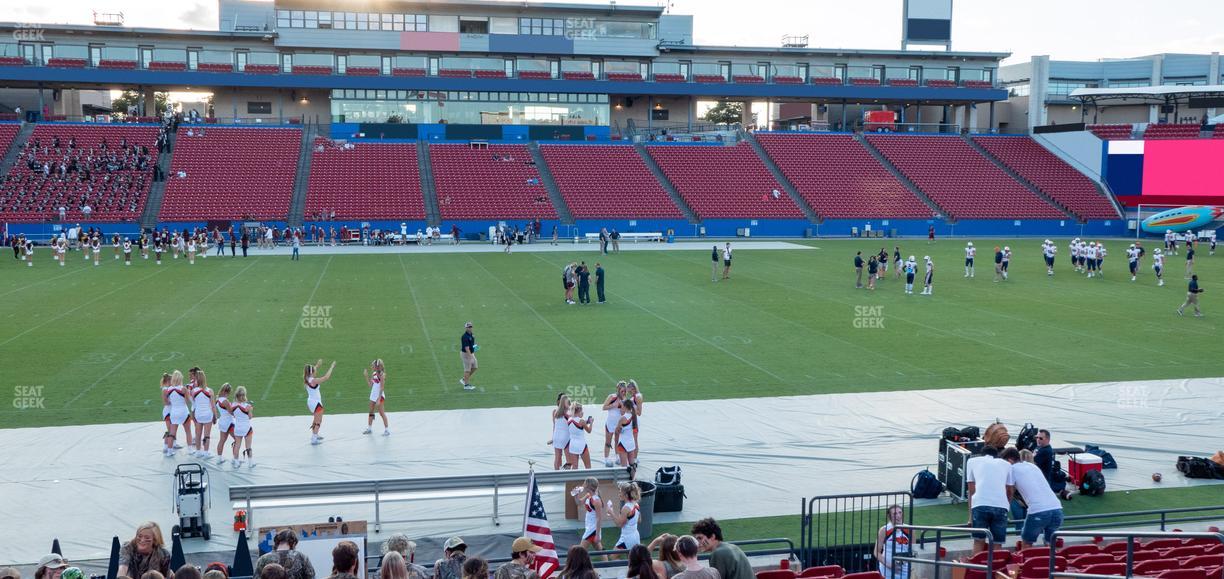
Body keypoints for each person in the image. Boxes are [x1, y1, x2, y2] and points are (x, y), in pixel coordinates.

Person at [1002, 447, 1064, 547]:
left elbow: (1009, 492)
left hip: (1038, 511)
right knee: (1050, 545)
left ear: (1009, 460)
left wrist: (1004, 510)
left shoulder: (1011, 469)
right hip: (1057, 509)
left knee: (1026, 543)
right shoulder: (1032, 466)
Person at [965, 446, 1015, 553]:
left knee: (978, 541)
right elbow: (1010, 491)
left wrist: (970, 517)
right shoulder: (1007, 464)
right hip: (1001, 507)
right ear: (997, 456)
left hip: (980, 505)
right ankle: (996, 563)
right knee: (997, 543)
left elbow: (971, 491)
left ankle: (976, 563)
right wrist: (1006, 508)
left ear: (981, 454)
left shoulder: (972, 461)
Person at [304, 359, 337, 445]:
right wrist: (332, 366)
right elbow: (326, 377)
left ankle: (315, 434)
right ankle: (314, 439)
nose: (316, 372)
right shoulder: (314, 381)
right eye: (314, 371)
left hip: (311, 402)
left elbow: (312, 370)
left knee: (315, 420)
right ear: (311, 372)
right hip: (316, 403)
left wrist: (317, 365)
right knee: (318, 421)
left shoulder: (307, 378)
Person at [874, 505, 911, 579]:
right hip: (887, 570)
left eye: (900, 512)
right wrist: (890, 565)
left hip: (905, 570)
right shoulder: (884, 530)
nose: (898, 516)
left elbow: (913, 550)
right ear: (889, 516)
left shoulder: (910, 529)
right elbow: (876, 552)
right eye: (895, 513)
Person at [1034, 429, 1071, 500]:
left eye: (1041, 438)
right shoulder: (1040, 447)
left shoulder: (1046, 451)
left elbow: (1032, 463)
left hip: (1042, 479)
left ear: (1047, 439)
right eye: (1037, 437)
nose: (1038, 439)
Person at [609, 481, 643, 550]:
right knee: (631, 556)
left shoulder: (626, 508)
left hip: (627, 538)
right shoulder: (636, 504)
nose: (619, 494)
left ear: (626, 495)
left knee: (612, 555)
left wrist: (611, 512)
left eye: (620, 492)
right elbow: (639, 520)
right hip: (636, 536)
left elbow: (619, 524)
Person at [574, 477, 605, 551]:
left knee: (580, 551)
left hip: (593, 529)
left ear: (588, 486)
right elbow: (579, 503)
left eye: (584, 483)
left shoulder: (596, 500)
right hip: (589, 526)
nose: (583, 485)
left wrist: (597, 535)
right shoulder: (588, 495)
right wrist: (576, 495)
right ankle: (606, 559)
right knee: (600, 550)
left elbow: (599, 518)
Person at [230, 386, 255, 468]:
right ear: (244, 395)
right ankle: (250, 463)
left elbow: (233, 414)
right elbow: (250, 417)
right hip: (246, 428)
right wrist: (250, 410)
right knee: (248, 447)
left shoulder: (232, 405)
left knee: (237, 445)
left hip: (237, 428)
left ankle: (236, 462)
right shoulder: (247, 406)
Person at [364, 359, 390, 435]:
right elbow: (370, 385)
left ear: (377, 366)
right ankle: (369, 428)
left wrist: (378, 399)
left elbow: (382, 387)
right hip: (373, 395)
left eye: (373, 365)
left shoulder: (382, 375)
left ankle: (387, 430)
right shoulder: (374, 374)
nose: (371, 366)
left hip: (379, 396)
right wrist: (366, 376)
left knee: (381, 413)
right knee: (371, 412)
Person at [567, 403, 594, 468]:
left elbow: (578, 424)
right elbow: (589, 431)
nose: (583, 413)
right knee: (588, 466)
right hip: (581, 444)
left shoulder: (569, 419)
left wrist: (586, 421)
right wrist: (591, 423)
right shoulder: (581, 421)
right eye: (582, 411)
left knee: (575, 467)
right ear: (578, 411)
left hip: (572, 445)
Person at [549, 393, 571, 470]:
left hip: (556, 436)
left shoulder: (555, 412)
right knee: (569, 460)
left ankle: (557, 473)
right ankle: (564, 471)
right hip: (565, 437)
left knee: (557, 457)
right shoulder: (568, 413)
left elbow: (555, 425)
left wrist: (553, 438)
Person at [460, 322, 478, 391]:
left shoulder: (472, 335)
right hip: (466, 354)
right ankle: (466, 385)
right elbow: (467, 348)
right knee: (467, 370)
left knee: (475, 367)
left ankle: (464, 379)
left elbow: (472, 344)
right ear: (466, 328)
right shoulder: (465, 337)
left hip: (471, 353)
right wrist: (470, 357)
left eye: (471, 327)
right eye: (468, 327)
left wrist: (475, 348)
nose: (470, 328)